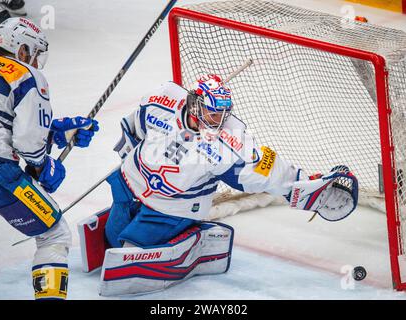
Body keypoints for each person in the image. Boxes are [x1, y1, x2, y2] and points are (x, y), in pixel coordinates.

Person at [79, 74, 358, 296]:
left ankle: (193, 240)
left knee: (127, 249)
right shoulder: (163, 100)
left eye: (223, 114)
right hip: (129, 185)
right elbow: (134, 125)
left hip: (171, 209)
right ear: (195, 103)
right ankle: (136, 218)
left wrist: (307, 187)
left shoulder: (231, 141)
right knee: (112, 240)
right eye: (212, 113)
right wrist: (127, 152)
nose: (218, 120)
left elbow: (267, 168)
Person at [0, 17, 99, 300]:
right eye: (35, 53)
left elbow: (2, 122)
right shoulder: (25, 74)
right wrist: (42, 165)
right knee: (54, 235)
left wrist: (55, 133)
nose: (36, 61)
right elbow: (27, 140)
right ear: (23, 49)